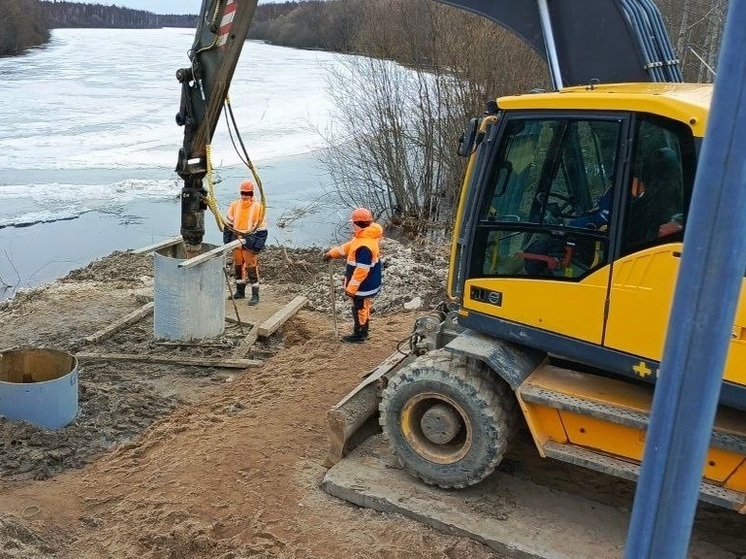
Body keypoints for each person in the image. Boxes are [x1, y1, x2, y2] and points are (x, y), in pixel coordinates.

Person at [323, 208, 383, 343]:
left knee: (359, 308)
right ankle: (364, 329)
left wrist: (351, 289)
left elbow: (361, 271)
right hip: (367, 283)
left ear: (357, 223)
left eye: (353, 222)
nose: (351, 225)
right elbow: (347, 248)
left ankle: (360, 334)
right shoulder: (364, 237)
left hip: (363, 286)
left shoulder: (364, 245)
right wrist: (331, 254)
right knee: (364, 306)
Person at [223, 179, 268, 305]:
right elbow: (228, 225)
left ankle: (255, 295)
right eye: (242, 193)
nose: (244, 196)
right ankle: (240, 292)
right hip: (236, 241)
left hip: (250, 242)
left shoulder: (258, 208)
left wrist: (258, 246)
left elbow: (262, 229)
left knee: (251, 268)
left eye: (247, 193)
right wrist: (227, 241)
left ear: (251, 194)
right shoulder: (234, 205)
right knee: (238, 266)